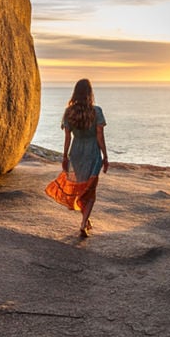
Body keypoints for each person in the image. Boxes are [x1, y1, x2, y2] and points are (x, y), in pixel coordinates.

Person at [44, 78, 108, 237]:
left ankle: (85, 221)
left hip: (77, 153)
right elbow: (100, 135)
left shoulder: (69, 112)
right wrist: (105, 156)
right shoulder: (97, 111)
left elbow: (67, 138)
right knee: (90, 190)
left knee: (82, 188)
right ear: (89, 93)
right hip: (93, 153)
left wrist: (65, 156)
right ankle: (83, 224)